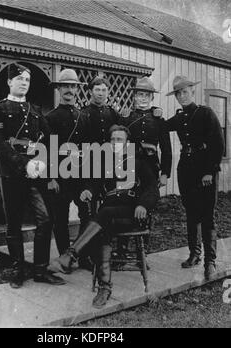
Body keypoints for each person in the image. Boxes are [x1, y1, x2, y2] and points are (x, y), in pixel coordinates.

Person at [51, 125, 159, 308]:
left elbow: (152, 188)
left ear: (127, 143)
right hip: (108, 216)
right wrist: (87, 190)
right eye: (113, 140)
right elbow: (92, 183)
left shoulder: (139, 162)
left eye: (120, 140)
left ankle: (71, 255)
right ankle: (105, 288)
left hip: (131, 214)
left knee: (102, 216)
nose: (116, 143)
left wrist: (143, 204)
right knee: (102, 230)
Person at [0, 63, 65, 288]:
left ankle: (40, 270)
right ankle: (18, 271)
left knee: (45, 220)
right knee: (14, 225)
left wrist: (40, 163)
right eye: (20, 79)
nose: (24, 83)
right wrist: (24, 163)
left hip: (36, 176)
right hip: (11, 175)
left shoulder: (35, 110)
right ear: (10, 82)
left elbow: (50, 141)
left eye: (27, 80)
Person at [166, 76, 225, 280]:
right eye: (178, 93)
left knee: (207, 216)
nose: (181, 96)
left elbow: (218, 143)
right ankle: (194, 255)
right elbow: (162, 127)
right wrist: (154, 115)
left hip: (205, 171)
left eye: (185, 92)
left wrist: (210, 170)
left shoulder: (205, 113)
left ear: (192, 91)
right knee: (191, 214)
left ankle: (210, 262)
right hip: (186, 171)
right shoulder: (180, 117)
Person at [119, 77, 172, 266]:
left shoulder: (158, 119)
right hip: (129, 167)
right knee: (125, 205)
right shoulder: (126, 117)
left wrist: (165, 173)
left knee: (146, 208)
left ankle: (143, 255)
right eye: (139, 94)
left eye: (146, 95)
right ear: (133, 96)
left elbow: (166, 148)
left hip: (150, 168)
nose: (142, 98)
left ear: (151, 97)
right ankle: (122, 252)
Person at [46, 69, 91, 262]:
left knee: (87, 215)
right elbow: (46, 150)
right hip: (60, 176)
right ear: (58, 89)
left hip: (80, 175)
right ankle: (65, 255)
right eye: (65, 86)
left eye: (73, 86)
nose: (69, 90)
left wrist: (89, 180)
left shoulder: (84, 116)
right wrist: (50, 177)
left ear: (77, 90)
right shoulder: (50, 118)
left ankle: (81, 253)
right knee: (60, 219)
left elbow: (89, 149)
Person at [77, 76, 121, 270]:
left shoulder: (112, 113)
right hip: (89, 166)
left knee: (108, 210)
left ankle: (105, 253)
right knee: (88, 213)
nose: (100, 93)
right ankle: (84, 255)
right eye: (97, 90)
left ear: (107, 92)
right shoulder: (84, 113)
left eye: (104, 90)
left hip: (110, 168)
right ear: (90, 92)